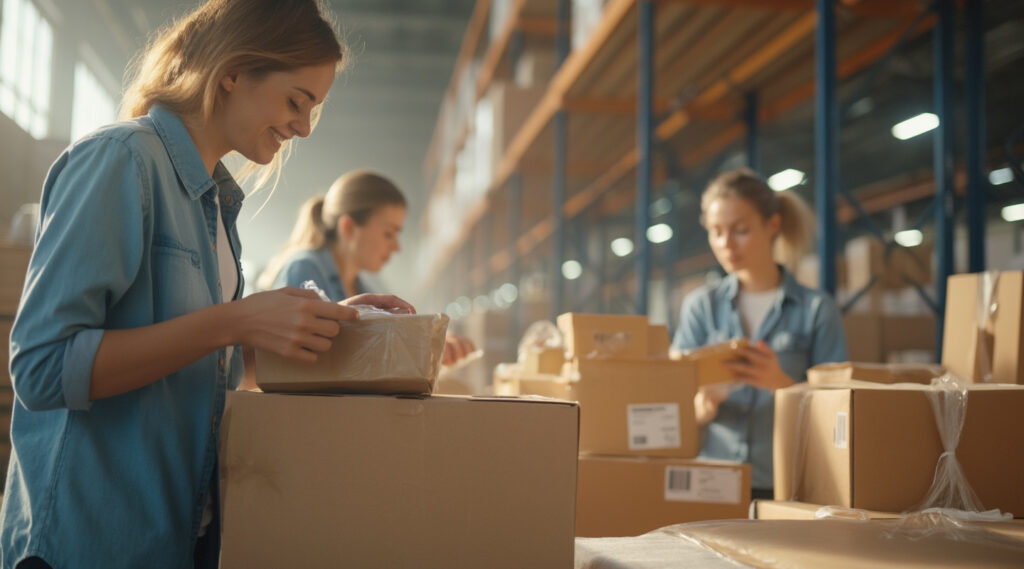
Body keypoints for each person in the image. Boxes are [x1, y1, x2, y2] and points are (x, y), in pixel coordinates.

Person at [1, 1, 413, 567]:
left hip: (175, 537)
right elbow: (43, 368)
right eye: (297, 101)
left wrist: (325, 324)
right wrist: (235, 321)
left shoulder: (216, 205)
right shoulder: (121, 160)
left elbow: (197, 366)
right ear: (234, 71)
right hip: (93, 541)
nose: (304, 127)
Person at [671, 168, 847, 500]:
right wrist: (700, 407)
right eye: (715, 232)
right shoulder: (700, 307)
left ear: (773, 225)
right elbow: (671, 404)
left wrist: (782, 385)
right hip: (711, 482)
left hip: (786, 485)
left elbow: (840, 415)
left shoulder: (816, 310)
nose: (725, 244)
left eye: (739, 231)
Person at [259, 170, 476, 365]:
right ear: (349, 228)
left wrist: (429, 341)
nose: (396, 247)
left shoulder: (361, 285)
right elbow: (312, 360)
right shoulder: (304, 269)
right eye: (388, 234)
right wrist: (420, 347)